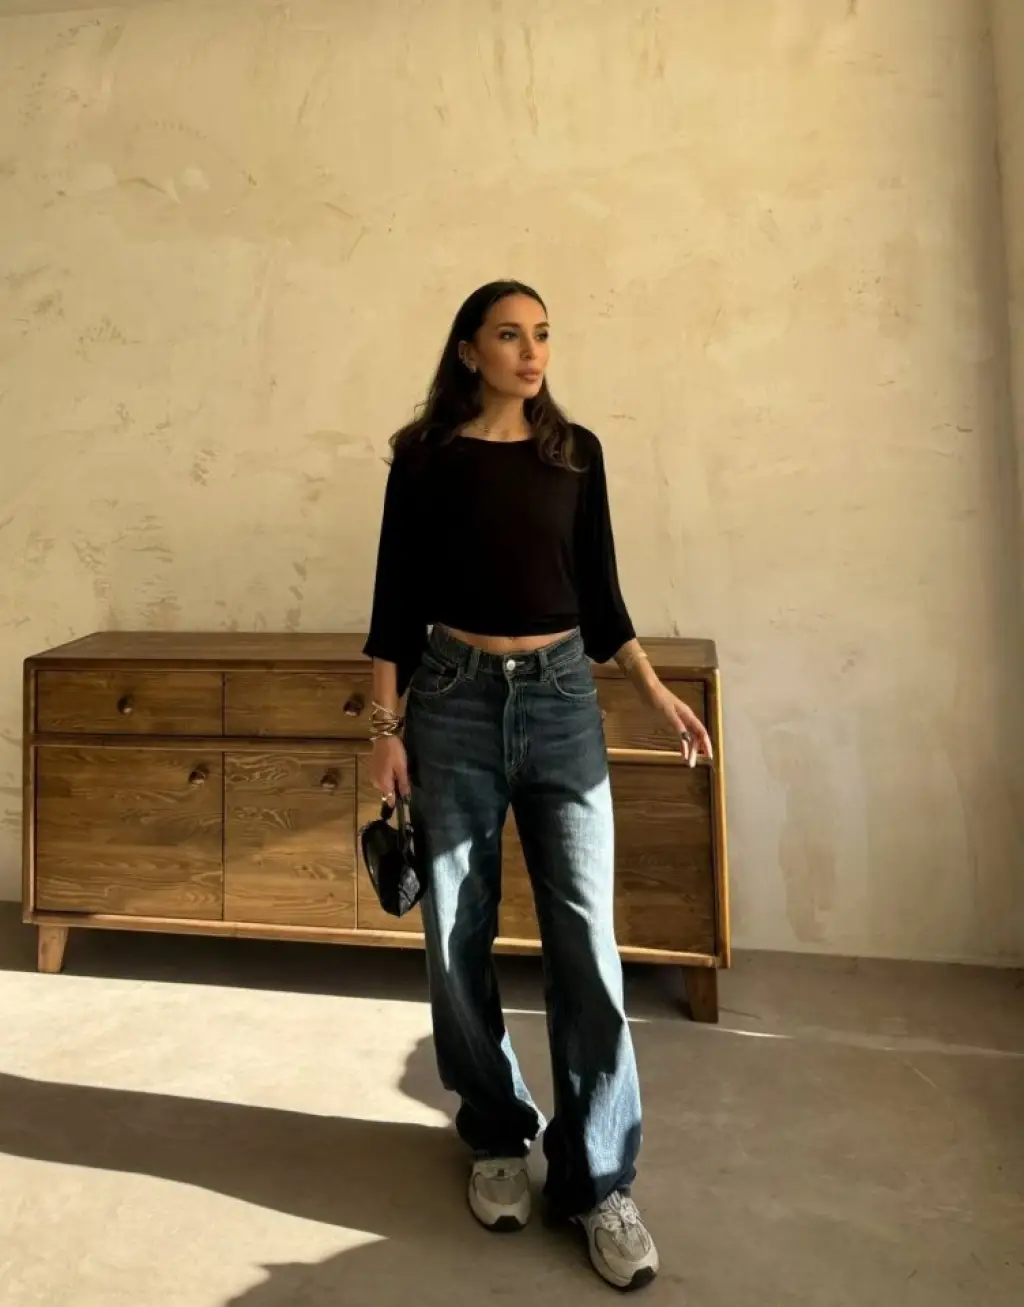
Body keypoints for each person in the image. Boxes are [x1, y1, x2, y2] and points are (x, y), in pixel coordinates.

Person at [364, 280, 713, 1290]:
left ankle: (599, 1179)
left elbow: (601, 595)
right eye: (510, 335)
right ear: (468, 349)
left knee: (585, 941)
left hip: (562, 701)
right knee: (456, 932)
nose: (532, 352)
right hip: (452, 699)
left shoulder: (576, 453)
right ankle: (494, 1131)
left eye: (543, 334)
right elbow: (393, 603)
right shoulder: (423, 457)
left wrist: (651, 690)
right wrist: (384, 731)